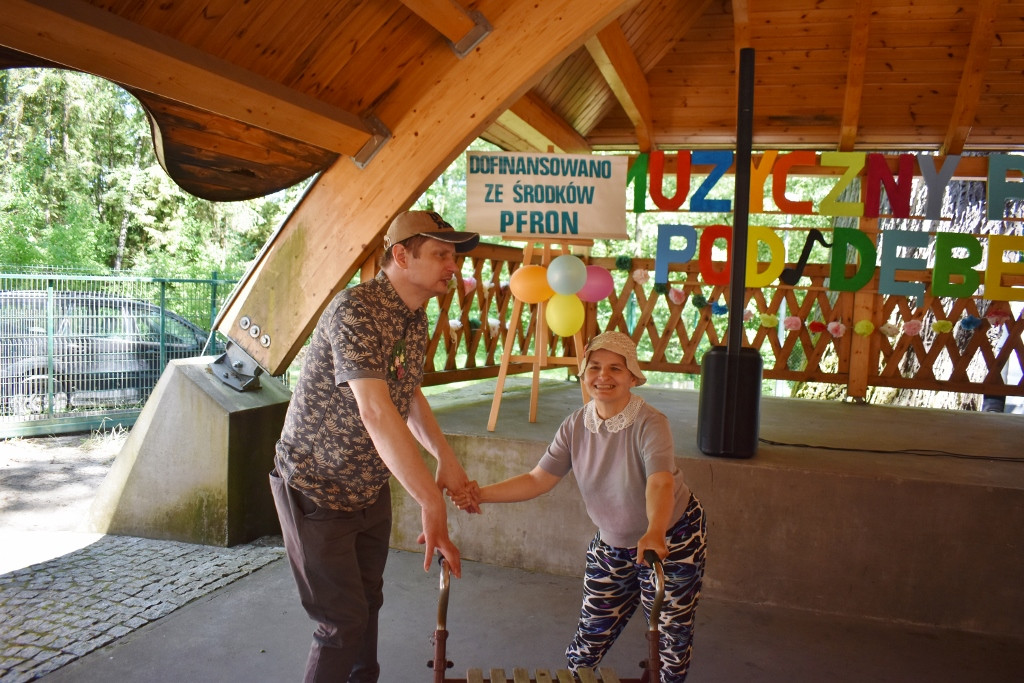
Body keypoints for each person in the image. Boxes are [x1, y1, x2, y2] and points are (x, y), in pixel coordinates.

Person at [270, 210, 481, 683]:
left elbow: (407, 395)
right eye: (442, 254)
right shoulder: (356, 309)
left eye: (455, 256)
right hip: (315, 489)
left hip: (368, 490)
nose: (454, 266)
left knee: (367, 603)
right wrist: (430, 498)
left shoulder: (415, 315)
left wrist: (445, 458)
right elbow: (376, 410)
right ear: (402, 255)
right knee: (341, 623)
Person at [451, 331, 707, 682]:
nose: (604, 376)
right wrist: (481, 494)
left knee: (668, 639)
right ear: (583, 373)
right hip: (613, 544)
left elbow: (660, 481)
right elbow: (538, 479)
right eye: (595, 367)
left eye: (616, 368)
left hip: (671, 537)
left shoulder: (651, 423)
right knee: (588, 642)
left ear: (632, 376)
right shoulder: (575, 425)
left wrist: (655, 531)